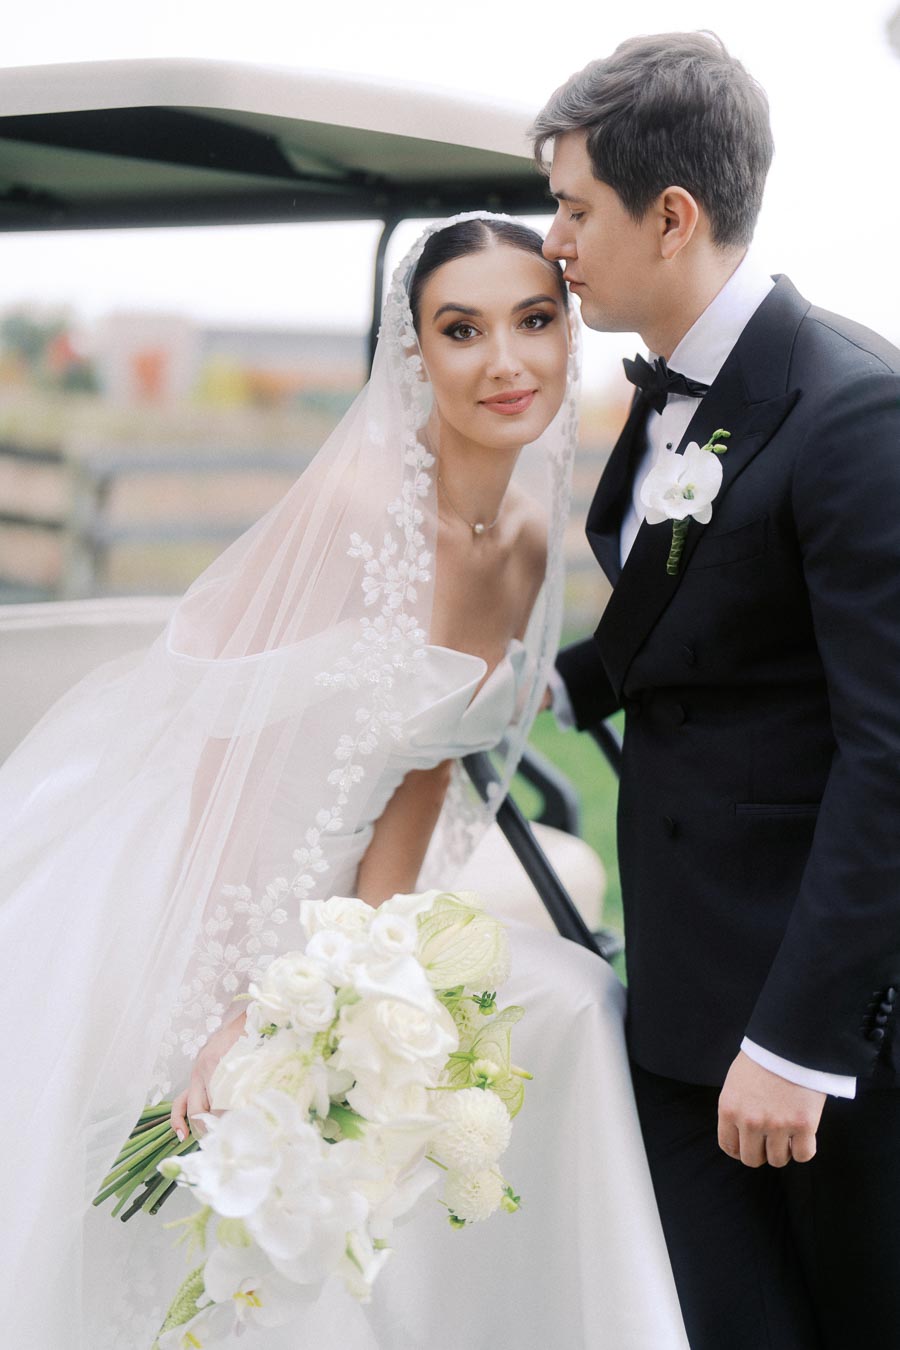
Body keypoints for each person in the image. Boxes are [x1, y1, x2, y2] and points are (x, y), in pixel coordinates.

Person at [0, 214, 688, 1350]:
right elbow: (221, 757)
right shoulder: (357, 511)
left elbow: (426, 762)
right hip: (212, 889)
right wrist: (238, 1007)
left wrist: (365, 961)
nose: (504, 361)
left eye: (533, 320)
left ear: (570, 336)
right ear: (415, 353)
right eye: (461, 330)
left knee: (575, 998)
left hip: (351, 910)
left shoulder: (523, 539)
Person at [534, 31, 900, 1350]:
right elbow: (683, 615)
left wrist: (803, 1043)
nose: (555, 240)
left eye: (575, 208)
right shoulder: (677, 395)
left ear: (670, 214)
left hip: (819, 1044)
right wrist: (530, 692)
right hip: (683, 1009)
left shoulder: (855, 413)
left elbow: (890, 751)